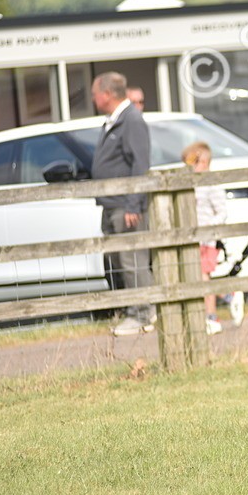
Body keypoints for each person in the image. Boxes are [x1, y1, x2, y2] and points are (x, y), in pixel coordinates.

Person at [91, 72, 155, 336]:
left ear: (106, 94)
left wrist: (133, 204)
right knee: (122, 259)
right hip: (112, 203)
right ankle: (138, 310)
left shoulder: (131, 120)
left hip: (124, 205)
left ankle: (142, 313)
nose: (94, 99)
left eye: (95, 93)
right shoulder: (115, 120)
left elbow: (140, 164)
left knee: (133, 259)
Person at [182, 141, 244, 334]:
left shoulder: (211, 183)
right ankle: (226, 297)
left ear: (204, 161)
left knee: (202, 276)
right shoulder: (191, 183)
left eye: (193, 162)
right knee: (198, 277)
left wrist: (211, 229)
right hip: (194, 238)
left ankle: (211, 316)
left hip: (206, 239)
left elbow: (221, 211)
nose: (190, 166)